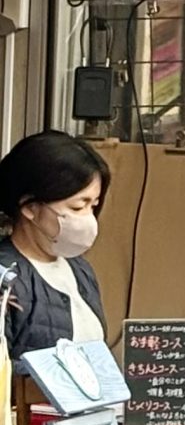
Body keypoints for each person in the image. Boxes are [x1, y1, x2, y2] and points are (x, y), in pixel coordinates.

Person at [0, 132, 108, 356]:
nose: (88, 218)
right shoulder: (5, 279)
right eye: (78, 207)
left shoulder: (80, 269)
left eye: (93, 206)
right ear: (30, 208)